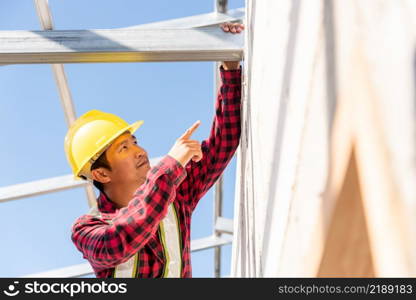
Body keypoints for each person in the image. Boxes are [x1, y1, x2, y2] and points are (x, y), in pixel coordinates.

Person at [66, 22, 244, 278]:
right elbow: (119, 241)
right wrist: (171, 165)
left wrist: (230, 67)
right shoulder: (88, 228)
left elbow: (223, 144)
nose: (140, 151)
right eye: (124, 148)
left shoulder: (177, 194)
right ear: (102, 174)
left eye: (135, 142)